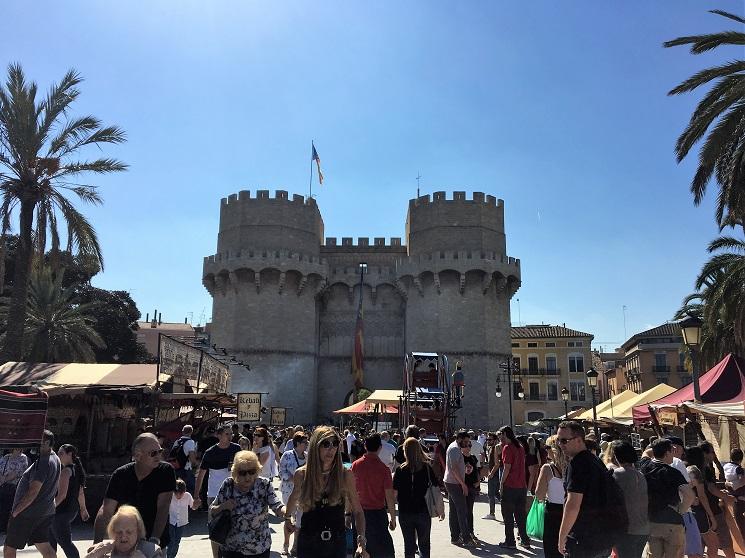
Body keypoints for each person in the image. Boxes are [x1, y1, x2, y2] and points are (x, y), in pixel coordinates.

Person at [285, 426, 368, 558]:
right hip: (308, 542)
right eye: (326, 444)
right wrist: (287, 518)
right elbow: (293, 497)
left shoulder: (345, 475)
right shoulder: (302, 474)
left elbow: (357, 510)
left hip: (336, 543)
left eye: (335, 443)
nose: (331, 448)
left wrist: (361, 540)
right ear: (315, 447)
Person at [94, 433, 176, 550]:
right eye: (153, 453)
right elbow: (106, 509)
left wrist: (154, 539)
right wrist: (97, 543)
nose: (158, 456)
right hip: (124, 541)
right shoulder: (120, 474)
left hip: (153, 541)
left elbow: (163, 506)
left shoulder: (166, 471)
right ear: (138, 456)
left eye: (160, 451)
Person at [557, 421, 617, 558]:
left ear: (578, 440)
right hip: (602, 536)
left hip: (584, 539)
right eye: (558, 441)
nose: (560, 445)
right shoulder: (595, 460)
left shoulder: (577, 464)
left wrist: (562, 536)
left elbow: (573, 505)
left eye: (564, 441)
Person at [209, 450, 284, 558]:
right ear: (235, 472)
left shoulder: (264, 485)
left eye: (252, 471)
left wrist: (286, 513)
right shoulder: (228, 485)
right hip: (232, 549)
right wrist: (223, 506)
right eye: (243, 473)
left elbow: (276, 505)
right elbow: (212, 510)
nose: (248, 477)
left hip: (259, 548)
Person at [3, 430, 61, 558]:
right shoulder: (55, 458)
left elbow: (34, 490)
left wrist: (16, 511)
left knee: (9, 548)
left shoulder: (44, 462)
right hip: (44, 511)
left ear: (46, 442)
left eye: (37, 440)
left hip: (28, 513)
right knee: (43, 544)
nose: (33, 443)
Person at [640, 438, 694, 558]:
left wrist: (658, 446)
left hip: (652, 520)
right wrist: (681, 510)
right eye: (671, 451)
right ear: (667, 453)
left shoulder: (644, 466)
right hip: (673, 522)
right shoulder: (673, 472)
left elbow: (646, 453)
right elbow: (689, 495)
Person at [194, 425, 241, 558]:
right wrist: (196, 496)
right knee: (216, 528)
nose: (230, 436)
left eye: (231, 433)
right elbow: (201, 475)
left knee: (235, 526)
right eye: (227, 434)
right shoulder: (210, 452)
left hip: (234, 492)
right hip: (215, 495)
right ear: (219, 436)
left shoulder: (236, 449)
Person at [393, 437, 443, 558]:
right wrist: (440, 509)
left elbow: (394, 493)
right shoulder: (426, 468)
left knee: (409, 545)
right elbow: (436, 488)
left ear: (405, 451)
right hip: (423, 511)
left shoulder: (400, 470)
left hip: (405, 511)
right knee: (424, 544)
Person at [351, 433, 396, 558]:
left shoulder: (355, 465)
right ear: (380, 448)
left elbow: (350, 491)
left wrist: (348, 513)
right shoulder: (384, 469)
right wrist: (393, 517)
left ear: (365, 446)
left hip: (359, 513)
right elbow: (389, 496)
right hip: (377, 514)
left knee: (362, 549)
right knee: (383, 550)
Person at [607, 440, 649, 558]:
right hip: (643, 528)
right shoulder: (640, 475)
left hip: (627, 529)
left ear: (616, 456)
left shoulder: (617, 474)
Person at [50, 444, 90, 558]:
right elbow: (80, 492)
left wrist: (49, 508)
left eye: (61, 453)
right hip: (70, 511)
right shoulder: (77, 470)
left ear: (70, 454)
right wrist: (83, 509)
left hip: (60, 512)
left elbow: (61, 495)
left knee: (64, 543)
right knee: (51, 542)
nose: (58, 456)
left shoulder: (66, 472)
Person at [701, 440, 737, 558]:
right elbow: (711, 488)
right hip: (713, 511)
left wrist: (720, 493)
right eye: (712, 452)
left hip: (700, 512)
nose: (713, 455)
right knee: (725, 539)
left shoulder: (694, 468)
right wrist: (726, 497)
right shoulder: (706, 468)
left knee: (708, 544)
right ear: (705, 453)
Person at [85, 505, 162, 558]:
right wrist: (93, 555)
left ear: (138, 531)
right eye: (119, 532)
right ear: (113, 531)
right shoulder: (102, 549)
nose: (123, 536)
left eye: (129, 532)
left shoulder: (152, 551)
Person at [534, 434, 567, 558]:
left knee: (552, 548)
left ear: (552, 449)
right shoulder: (573, 466)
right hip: (572, 510)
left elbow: (539, 495)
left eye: (546, 447)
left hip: (553, 511)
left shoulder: (547, 468)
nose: (545, 449)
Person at [498, 426, 530, 549]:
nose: (500, 437)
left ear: (505, 434)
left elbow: (507, 468)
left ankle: (510, 541)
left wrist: (501, 484)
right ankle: (525, 540)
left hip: (510, 486)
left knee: (508, 516)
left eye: (501, 434)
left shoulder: (507, 448)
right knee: (520, 515)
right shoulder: (520, 447)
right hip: (521, 486)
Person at [685, 446, 720, 557]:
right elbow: (702, 496)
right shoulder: (695, 470)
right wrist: (711, 516)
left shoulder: (681, 468)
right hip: (699, 513)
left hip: (686, 512)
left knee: (694, 546)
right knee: (713, 543)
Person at [279, 433, 307, 555]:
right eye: (304, 443)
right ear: (298, 444)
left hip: (303, 493)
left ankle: (295, 546)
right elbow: (281, 471)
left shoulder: (307, 457)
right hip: (289, 491)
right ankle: (286, 544)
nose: (306, 445)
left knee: (300, 519)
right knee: (289, 517)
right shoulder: (287, 455)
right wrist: (292, 478)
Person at [0, 448, 28, 532]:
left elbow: (18, 473)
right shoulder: (6, 457)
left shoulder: (23, 458)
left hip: (13, 486)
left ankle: (6, 527)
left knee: (9, 507)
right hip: (2, 485)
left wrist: (3, 480)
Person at [461, 436, 480, 542]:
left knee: (469, 510)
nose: (468, 447)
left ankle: (470, 531)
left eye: (469, 445)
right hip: (463, 485)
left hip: (472, 486)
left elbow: (476, 470)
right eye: (466, 446)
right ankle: (463, 532)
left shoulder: (473, 457)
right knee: (463, 510)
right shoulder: (460, 457)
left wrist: (478, 482)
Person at [724, 448, 745, 540]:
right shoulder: (738, 469)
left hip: (733, 496)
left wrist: (728, 484)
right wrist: (735, 485)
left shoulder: (726, 466)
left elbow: (727, 480)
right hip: (740, 496)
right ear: (741, 459)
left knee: (739, 521)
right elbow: (742, 481)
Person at [170, 425, 197, 495]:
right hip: (186, 468)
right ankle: (188, 504)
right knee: (190, 488)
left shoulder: (177, 441)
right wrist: (195, 464)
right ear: (191, 432)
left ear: (182, 431)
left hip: (176, 467)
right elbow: (192, 457)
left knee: (177, 487)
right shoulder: (191, 442)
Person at [483, 432, 501, 520]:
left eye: (490, 440)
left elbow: (497, 464)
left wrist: (491, 473)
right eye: (487, 439)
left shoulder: (495, 449)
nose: (487, 441)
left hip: (494, 474)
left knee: (491, 494)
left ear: (495, 440)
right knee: (497, 493)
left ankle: (492, 513)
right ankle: (507, 507)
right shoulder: (490, 448)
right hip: (495, 473)